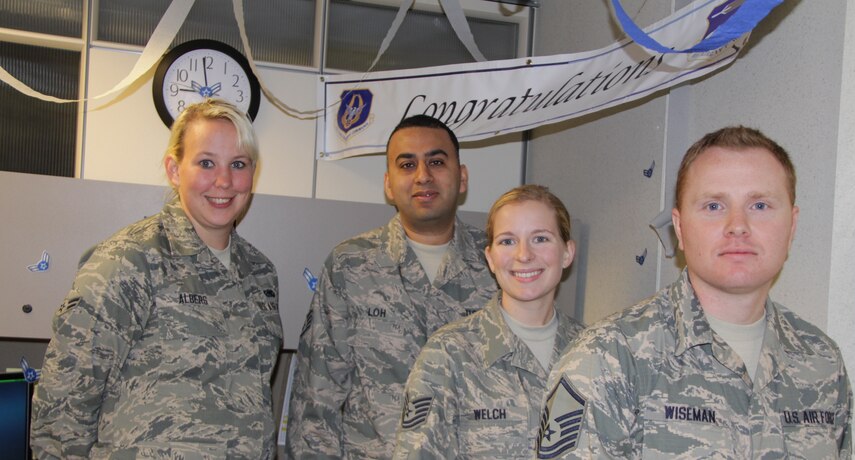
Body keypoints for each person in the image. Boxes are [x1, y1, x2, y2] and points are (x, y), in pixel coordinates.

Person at [536, 126, 852, 459]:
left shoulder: (822, 361)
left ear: (792, 226)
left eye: (760, 205)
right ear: (681, 229)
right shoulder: (607, 358)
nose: (738, 225)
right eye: (714, 206)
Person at [30, 99, 283, 459]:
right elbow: (62, 408)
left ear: (252, 174)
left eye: (238, 165)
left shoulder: (260, 273)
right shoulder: (129, 260)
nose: (224, 181)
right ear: (175, 169)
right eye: (206, 162)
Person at [287, 115, 499, 458]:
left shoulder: (499, 264)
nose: (423, 175)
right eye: (407, 164)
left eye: (436, 161)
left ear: (462, 178)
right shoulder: (349, 266)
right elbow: (315, 402)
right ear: (388, 184)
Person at [393, 184, 586, 459]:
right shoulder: (449, 354)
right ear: (491, 259)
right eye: (507, 241)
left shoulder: (595, 352)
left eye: (540, 239)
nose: (524, 255)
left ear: (567, 252)